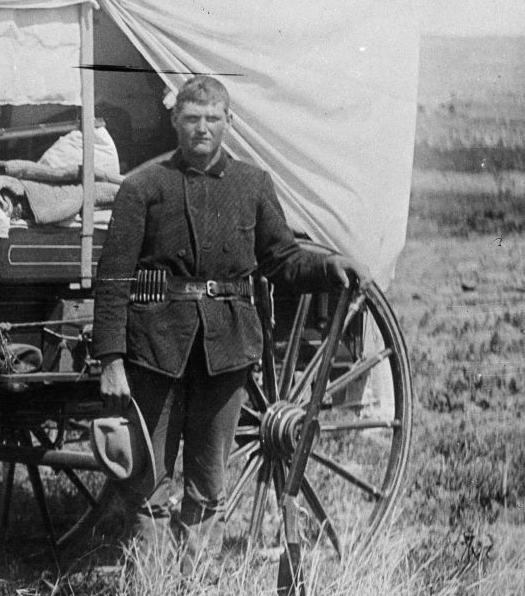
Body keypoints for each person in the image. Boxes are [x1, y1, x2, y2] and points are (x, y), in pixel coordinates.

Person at [93, 75, 366, 560]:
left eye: (213, 119)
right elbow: (113, 279)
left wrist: (327, 266)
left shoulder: (252, 184)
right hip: (156, 350)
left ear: (229, 123)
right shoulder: (143, 188)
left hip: (227, 350)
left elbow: (282, 259)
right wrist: (111, 359)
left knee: (207, 484)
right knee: (148, 482)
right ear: (175, 121)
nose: (202, 129)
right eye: (192, 119)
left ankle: (197, 595)